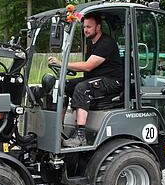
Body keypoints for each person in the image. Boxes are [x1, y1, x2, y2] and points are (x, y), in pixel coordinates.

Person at [48, 12, 124, 147]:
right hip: (97, 79)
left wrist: (62, 63)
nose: (85, 30)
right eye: (84, 27)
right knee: (63, 85)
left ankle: (80, 136)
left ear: (98, 27)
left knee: (82, 88)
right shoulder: (91, 43)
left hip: (112, 81)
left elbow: (88, 66)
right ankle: (57, 128)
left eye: (89, 27)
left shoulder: (106, 43)